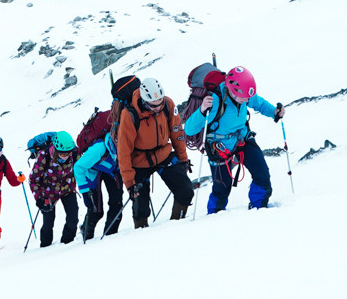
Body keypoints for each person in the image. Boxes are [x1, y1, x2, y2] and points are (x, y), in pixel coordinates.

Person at [188, 65, 283, 211]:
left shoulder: (244, 94)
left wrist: (274, 112)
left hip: (242, 139)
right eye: (244, 97)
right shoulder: (214, 102)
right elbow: (189, 129)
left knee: (262, 174)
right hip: (219, 147)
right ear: (233, 91)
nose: (247, 100)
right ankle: (215, 216)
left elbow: (259, 103)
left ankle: (260, 208)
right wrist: (201, 111)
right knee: (222, 187)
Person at [116, 76, 195, 227]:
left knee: (186, 191)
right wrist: (130, 183)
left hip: (163, 154)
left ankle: (178, 226)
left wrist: (183, 159)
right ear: (144, 101)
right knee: (141, 208)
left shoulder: (168, 104)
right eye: (153, 106)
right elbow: (124, 151)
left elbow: (177, 133)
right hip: (139, 160)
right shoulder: (130, 114)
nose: (158, 108)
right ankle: (142, 231)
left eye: (160, 103)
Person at [27, 131, 80, 247]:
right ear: (56, 150)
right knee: (48, 223)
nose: (66, 156)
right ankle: (45, 248)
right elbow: (33, 179)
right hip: (48, 193)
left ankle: (67, 245)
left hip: (68, 189)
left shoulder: (74, 153)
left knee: (73, 220)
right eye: (63, 154)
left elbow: (81, 167)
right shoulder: (44, 156)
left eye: (68, 153)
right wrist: (39, 198)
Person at [75, 133, 124, 241]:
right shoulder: (99, 148)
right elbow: (78, 167)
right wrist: (85, 192)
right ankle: (87, 237)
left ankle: (110, 238)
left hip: (112, 171)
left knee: (117, 205)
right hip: (93, 173)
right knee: (96, 211)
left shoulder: (126, 145)